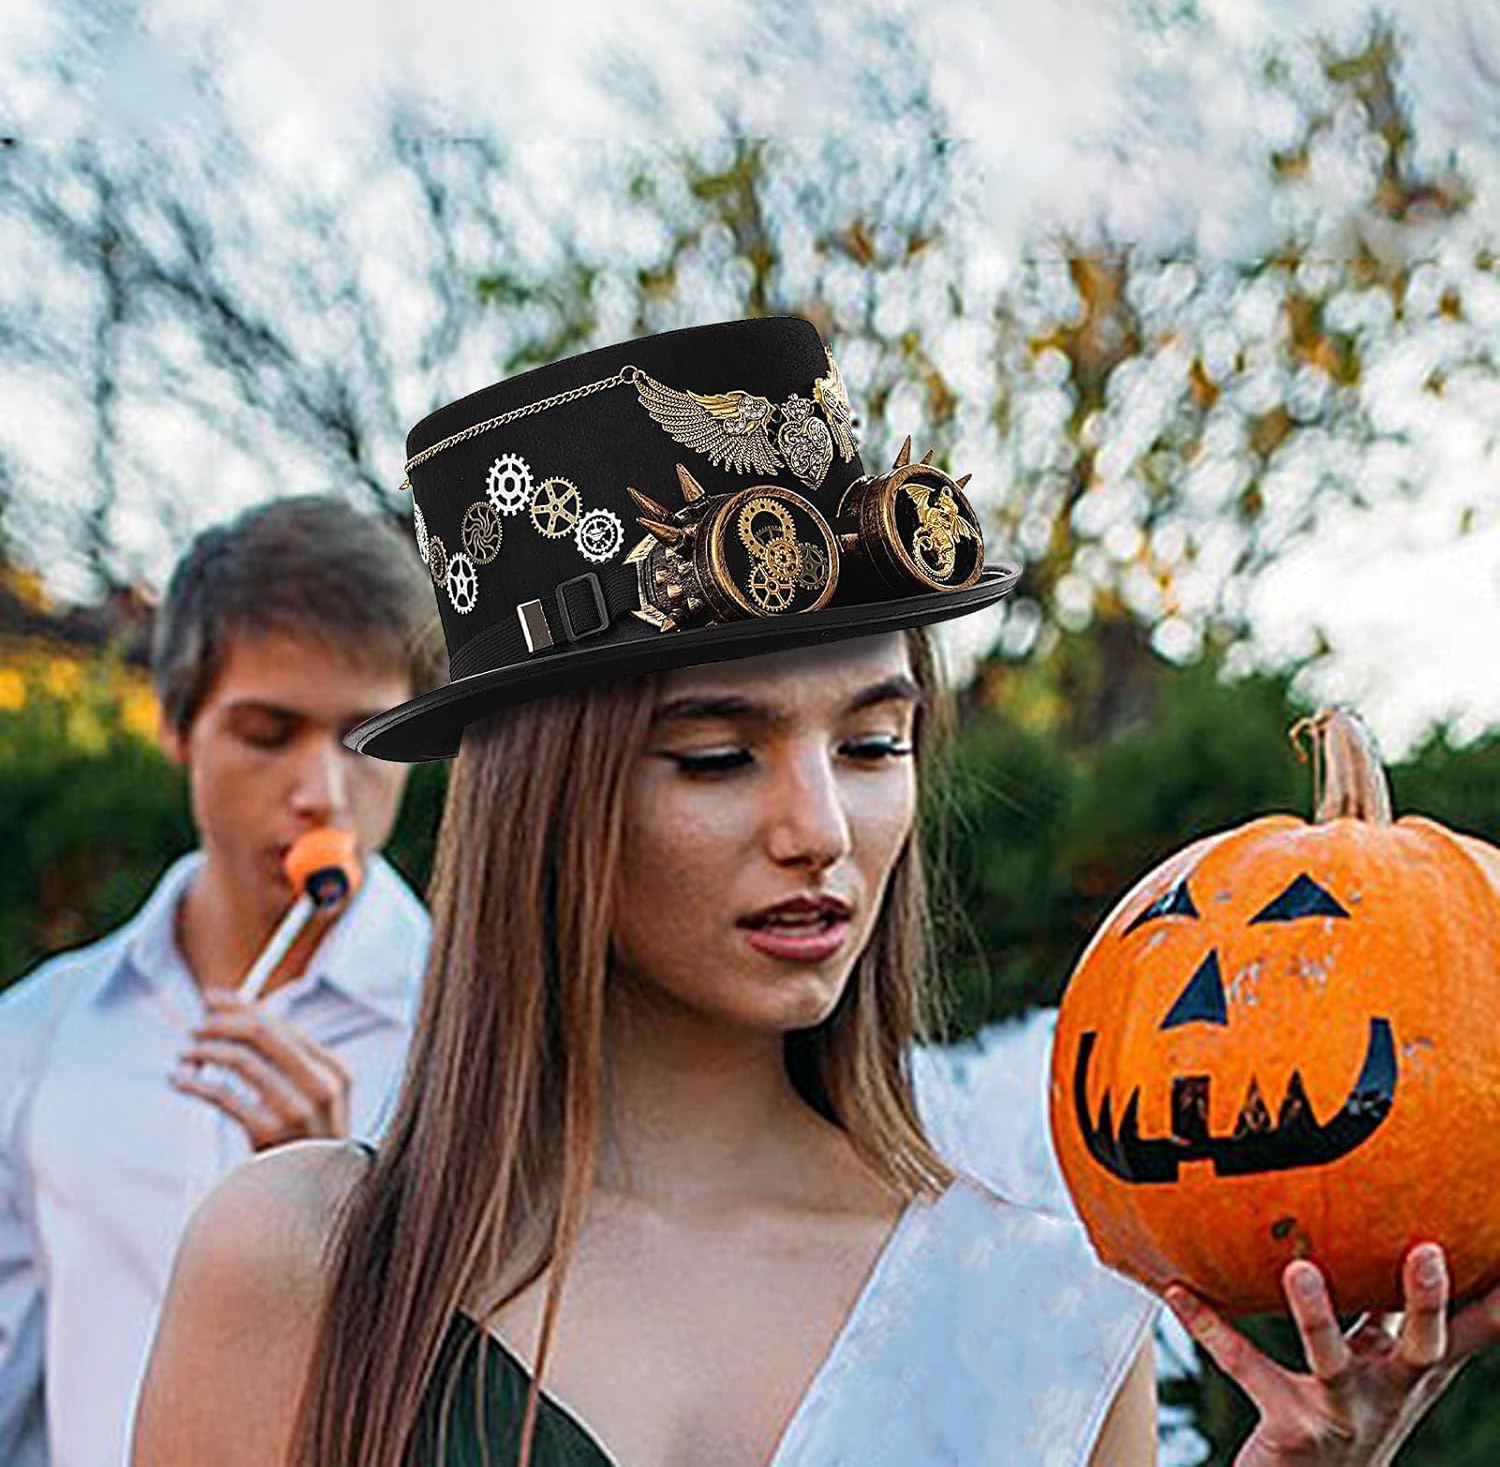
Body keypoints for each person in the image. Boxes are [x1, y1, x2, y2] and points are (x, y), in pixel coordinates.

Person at [131, 319, 1497, 1466]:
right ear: (545, 805)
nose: (820, 829)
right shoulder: (304, 1263)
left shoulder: (1038, 1314)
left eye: (873, 744)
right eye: (717, 756)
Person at [0, 495, 443, 1467]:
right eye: (268, 733)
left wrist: (328, 1217)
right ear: (176, 727)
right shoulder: (35, 1038)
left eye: (369, 735)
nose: (322, 793)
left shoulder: (490, 1043)